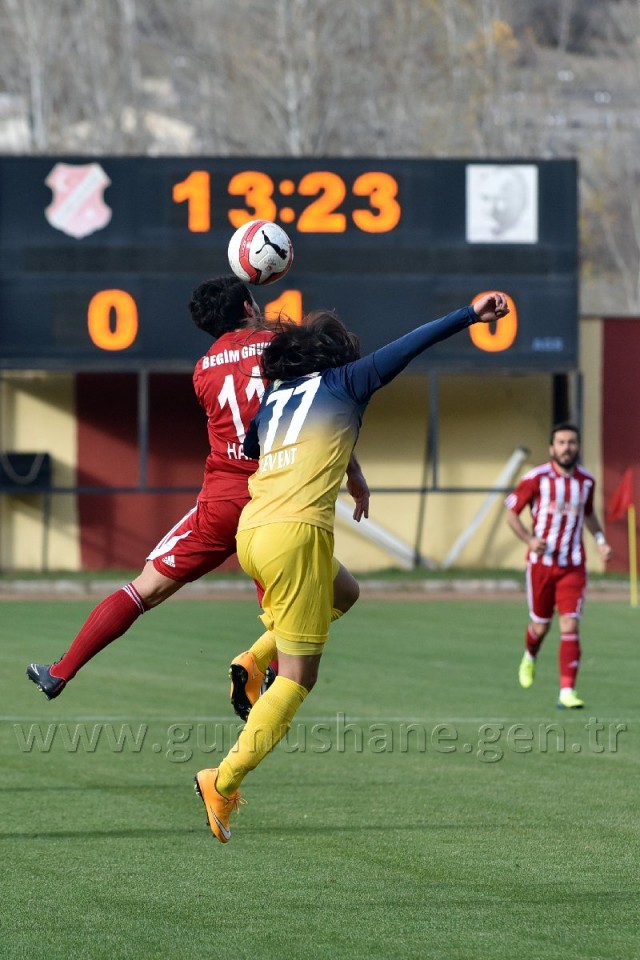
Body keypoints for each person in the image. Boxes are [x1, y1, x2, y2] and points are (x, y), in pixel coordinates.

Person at [194, 290, 509, 843]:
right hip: (296, 535)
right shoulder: (345, 382)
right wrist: (469, 314)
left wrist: (345, 469)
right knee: (298, 679)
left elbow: (246, 446)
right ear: (334, 357)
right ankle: (222, 780)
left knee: (345, 592)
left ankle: (252, 658)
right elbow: (409, 346)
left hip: (253, 529)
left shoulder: (272, 402)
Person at [26, 276, 369, 720]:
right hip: (276, 501)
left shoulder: (203, 369)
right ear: (249, 304)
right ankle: (260, 669)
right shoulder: (279, 346)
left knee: (144, 589)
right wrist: (354, 472)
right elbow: (313, 411)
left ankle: (61, 671)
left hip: (222, 504)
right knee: (326, 599)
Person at [504, 422, 612, 710]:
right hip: (541, 565)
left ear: (577, 447)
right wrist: (529, 539)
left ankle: (567, 691)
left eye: (572, 443)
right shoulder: (536, 478)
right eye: (561, 443)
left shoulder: (586, 481)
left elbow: (588, 514)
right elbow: (511, 513)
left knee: (570, 623)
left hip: (573, 565)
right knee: (540, 626)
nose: (567, 448)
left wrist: (600, 539)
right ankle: (530, 656)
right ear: (552, 448)